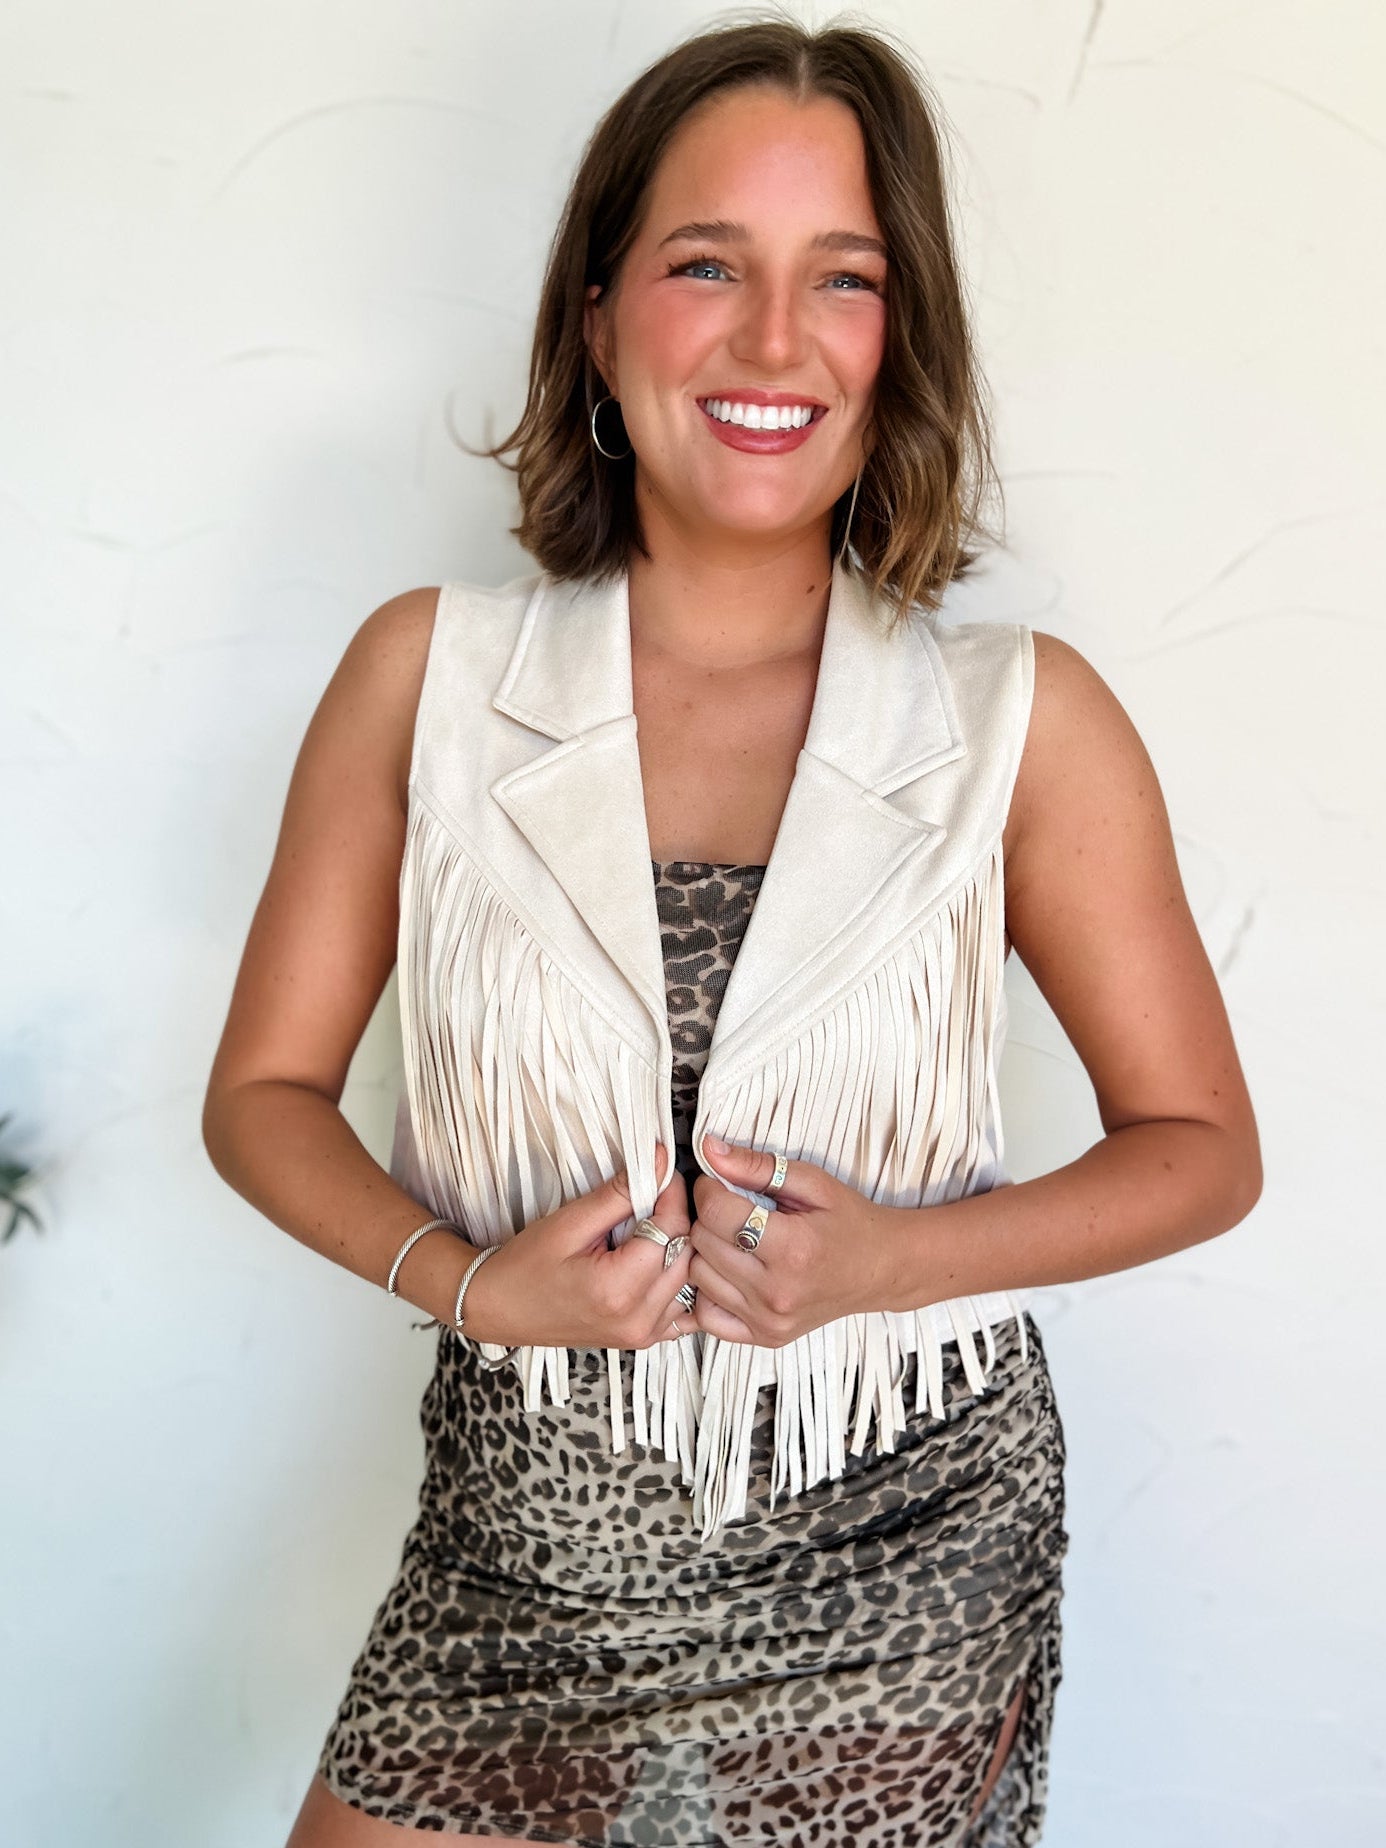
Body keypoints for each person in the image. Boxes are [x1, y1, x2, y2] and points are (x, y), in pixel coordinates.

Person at [202, 18, 1262, 1847]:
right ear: (596, 318)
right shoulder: (423, 680)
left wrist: (893, 1265)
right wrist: (468, 1285)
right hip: (521, 1546)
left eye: (843, 279)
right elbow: (261, 1096)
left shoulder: (1019, 721)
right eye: (707, 265)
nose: (774, 343)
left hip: (900, 1546)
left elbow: (1203, 1150)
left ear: (897, 342)